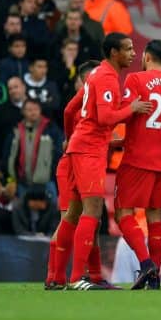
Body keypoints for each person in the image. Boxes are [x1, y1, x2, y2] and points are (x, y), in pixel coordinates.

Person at [62, 33, 151, 290]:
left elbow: (71, 110)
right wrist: (131, 109)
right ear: (114, 53)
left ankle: (91, 276)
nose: (134, 53)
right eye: (128, 49)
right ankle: (78, 278)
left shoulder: (99, 75)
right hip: (88, 150)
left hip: (86, 147)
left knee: (87, 214)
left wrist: (71, 138)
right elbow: (105, 117)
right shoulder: (106, 77)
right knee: (90, 213)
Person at [115, 40, 161, 290]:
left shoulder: (135, 79)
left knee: (124, 212)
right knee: (155, 215)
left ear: (145, 56)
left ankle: (146, 265)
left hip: (137, 157)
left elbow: (126, 110)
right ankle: (154, 280)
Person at [46, 60, 99, 290]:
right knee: (69, 218)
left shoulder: (88, 104)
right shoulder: (81, 108)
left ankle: (91, 275)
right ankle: (54, 276)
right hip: (71, 165)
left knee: (87, 219)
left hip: (81, 164)